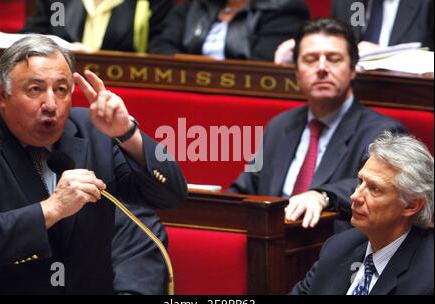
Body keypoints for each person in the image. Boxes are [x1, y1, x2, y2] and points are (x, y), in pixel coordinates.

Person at [0, 34, 187, 294]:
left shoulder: (92, 131)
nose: (51, 105)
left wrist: (127, 133)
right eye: (35, 89)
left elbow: (170, 195)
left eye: (61, 89)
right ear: (2, 94)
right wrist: (51, 209)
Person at [229, 19, 405, 230]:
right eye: (311, 59)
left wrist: (323, 196)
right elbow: (245, 189)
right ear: (296, 72)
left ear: (352, 69)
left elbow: (380, 191)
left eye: (334, 59)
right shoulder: (279, 126)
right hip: (269, 246)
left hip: (334, 252)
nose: (322, 68)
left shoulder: (383, 133)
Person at [290, 132, 434, 295]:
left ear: (411, 205)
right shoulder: (338, 247)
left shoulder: (428, 279)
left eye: (374, 189)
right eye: (360, 182)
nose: (355, 196)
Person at [275, 0, 434, 64]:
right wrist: (306, 45)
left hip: (409, 99)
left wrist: (387, 56)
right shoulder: (350, 3)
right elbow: (338, 39)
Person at [149, 0, 309, 61]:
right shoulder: (195, 5)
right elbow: (160, 46)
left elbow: (262, 65)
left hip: (243, 97)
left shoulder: (284, 9)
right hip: (187, 88)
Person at [21, 0, 174, 52]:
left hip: (124, 86)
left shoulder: (154, 2)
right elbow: (34, 34)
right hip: (60, 81)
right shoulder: (58, 3)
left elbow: (160, 46)